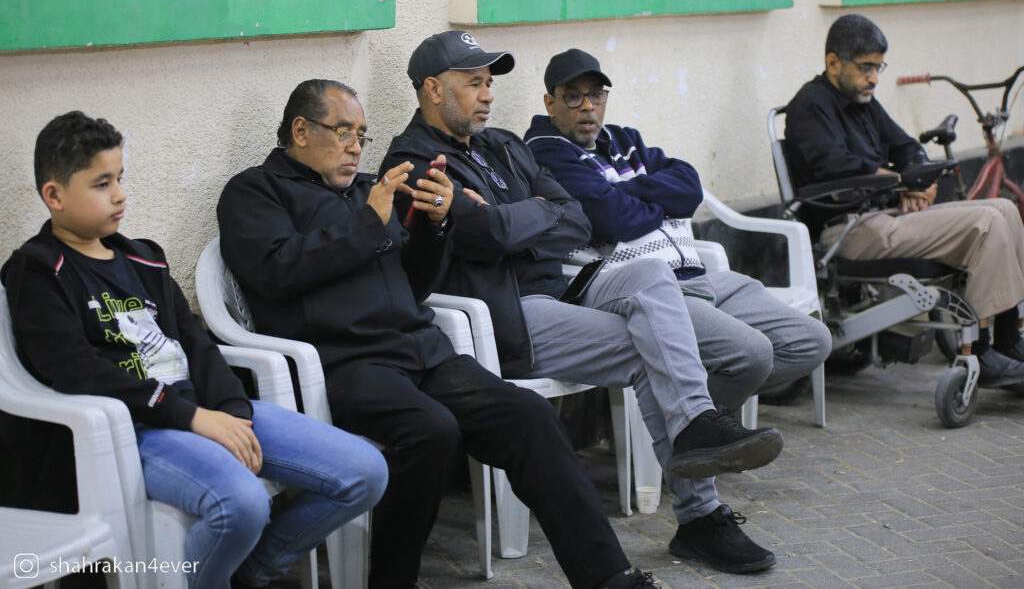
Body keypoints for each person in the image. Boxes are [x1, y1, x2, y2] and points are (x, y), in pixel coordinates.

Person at [217, 79, 659, 589]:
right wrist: (367, 224)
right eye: (343, 132)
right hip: (344, 362)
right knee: (430, 431)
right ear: (301, 130)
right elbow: (276, 272)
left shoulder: (367, 192)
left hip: (421, 350)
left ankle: (608, 577)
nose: (356, 147)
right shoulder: (255, 192)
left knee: (528, 415)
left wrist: (436, 225)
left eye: (361, 135)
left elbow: (415, 283)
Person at [381, 31, 785, 574]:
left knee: (649, 273)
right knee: (650, 348)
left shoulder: (502, 143)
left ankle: (696, 425)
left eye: (489, 83)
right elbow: (487, 233)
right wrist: (525, 215)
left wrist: (513, 219)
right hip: (509, 311)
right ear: (433, 89)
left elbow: (573, 215)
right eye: (474, 83)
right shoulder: (414, 161)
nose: (489, 95)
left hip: (566, 286)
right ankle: (701, 516)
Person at [1, 111, 389, 589]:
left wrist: (231, 411)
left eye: (120, 178)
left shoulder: (143, 257)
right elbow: (74, 370)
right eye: (101, 184)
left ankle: (249, 571)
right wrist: (192, 418)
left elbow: (196, 343)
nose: (119, 195)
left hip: (203, 409)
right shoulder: (40, 270)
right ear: (54, 196)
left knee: (365, 471)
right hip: (133, 430)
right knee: (242, 503)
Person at [522, 47, 832, 572]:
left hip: (696, 272)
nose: (587, 107)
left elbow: (689, 184)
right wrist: (647, 196)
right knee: (752, 354)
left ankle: (689, 426)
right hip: (631, 281)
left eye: (595, 95)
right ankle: (692, 448)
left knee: (811, 340)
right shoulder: (546, 151)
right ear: (550, 102)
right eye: (573, 97)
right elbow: (611, 217)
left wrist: (632, 191)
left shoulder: (624, 139)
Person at [785, 13, 1024, 386]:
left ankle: (1009, 340)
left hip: (887, 216)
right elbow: (833, 167)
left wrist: (920, 181)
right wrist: (899, 183)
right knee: (987, 222)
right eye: (866, 67)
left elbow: (907, 146)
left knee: (1005, 209)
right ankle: (978, 351)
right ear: (833, 63)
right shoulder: (810, 105)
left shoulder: (864, 101)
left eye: (878, 68)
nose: (874, 78)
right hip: (849, 228)